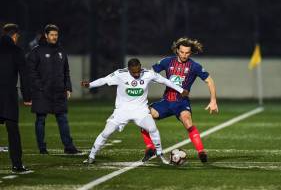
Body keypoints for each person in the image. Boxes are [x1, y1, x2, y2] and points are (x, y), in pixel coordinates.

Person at [81, 58, 189, 164]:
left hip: (140, 110)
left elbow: (164, 80)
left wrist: (180, 90)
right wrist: (90, 85)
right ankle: (91, 157)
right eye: (134, 72)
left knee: (152, 128)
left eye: (138, 71)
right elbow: (104, 80)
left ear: (140, 67)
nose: (137, 74)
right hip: (122, 111)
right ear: (128, 69)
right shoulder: (120, 74)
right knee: (106, 132)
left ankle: (160, 154)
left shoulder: (148, 73)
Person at [141, 37, 219, 163]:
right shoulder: (167, 62)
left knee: (188, 122)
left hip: (181, 103)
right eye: (182, 52)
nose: (184, 55)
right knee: (144, 116)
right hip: (166, 101)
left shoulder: (194, 66)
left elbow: (209, 80)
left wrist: (213, 100)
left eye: (187, 53)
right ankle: (150, 148)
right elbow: (149, 73)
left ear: (191, 52)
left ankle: (201, 152)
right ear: (177, 50)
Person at [27, 24, 80, 154]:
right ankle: (42, 148)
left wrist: (67, 87)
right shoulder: (36, 51)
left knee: (63, 119)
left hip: (58, 92)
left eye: (56, 35)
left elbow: (66, 70)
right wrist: (39, 86)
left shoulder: (61, 51)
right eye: (52, 35)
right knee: (40, 119)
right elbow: (31, 72)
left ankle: (69, 146)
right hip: (42, 92)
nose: (54, 37)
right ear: (46, 35)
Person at [0, 23, 31, 172]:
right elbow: (24, 76)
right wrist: (27, 96)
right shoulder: (17, 51)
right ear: (15, 35)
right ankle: (17, 164)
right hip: (8, 97)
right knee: (12, 131)